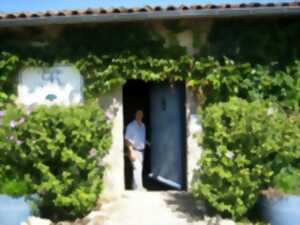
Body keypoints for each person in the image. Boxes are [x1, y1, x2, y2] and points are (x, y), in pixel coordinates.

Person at [125, 110, 146, 190]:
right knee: (138, 168)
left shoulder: (143, 125)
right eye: (138, 114)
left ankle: (134, 188)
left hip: (141, 151)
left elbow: (141, 138)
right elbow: (127, 139)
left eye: (141, 114)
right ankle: (139, 188)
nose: (140, 115)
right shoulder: (131, 126)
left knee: (138, 170)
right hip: (134, 150)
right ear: (135, 115)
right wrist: (131, 151)